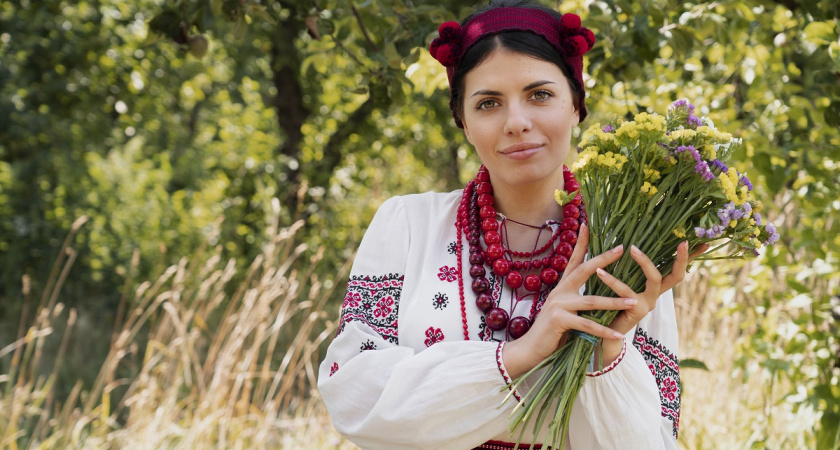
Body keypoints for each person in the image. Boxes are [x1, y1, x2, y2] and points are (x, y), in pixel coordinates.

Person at [318, 1, 697, 448]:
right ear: (464, 122)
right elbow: (352, 395)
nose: (516, 122)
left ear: (576, 105)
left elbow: (652, 440)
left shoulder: (626, 248)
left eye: (540, 95)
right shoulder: (407, 225)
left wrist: (607, 346)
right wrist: (520, 354)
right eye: (488, 103)